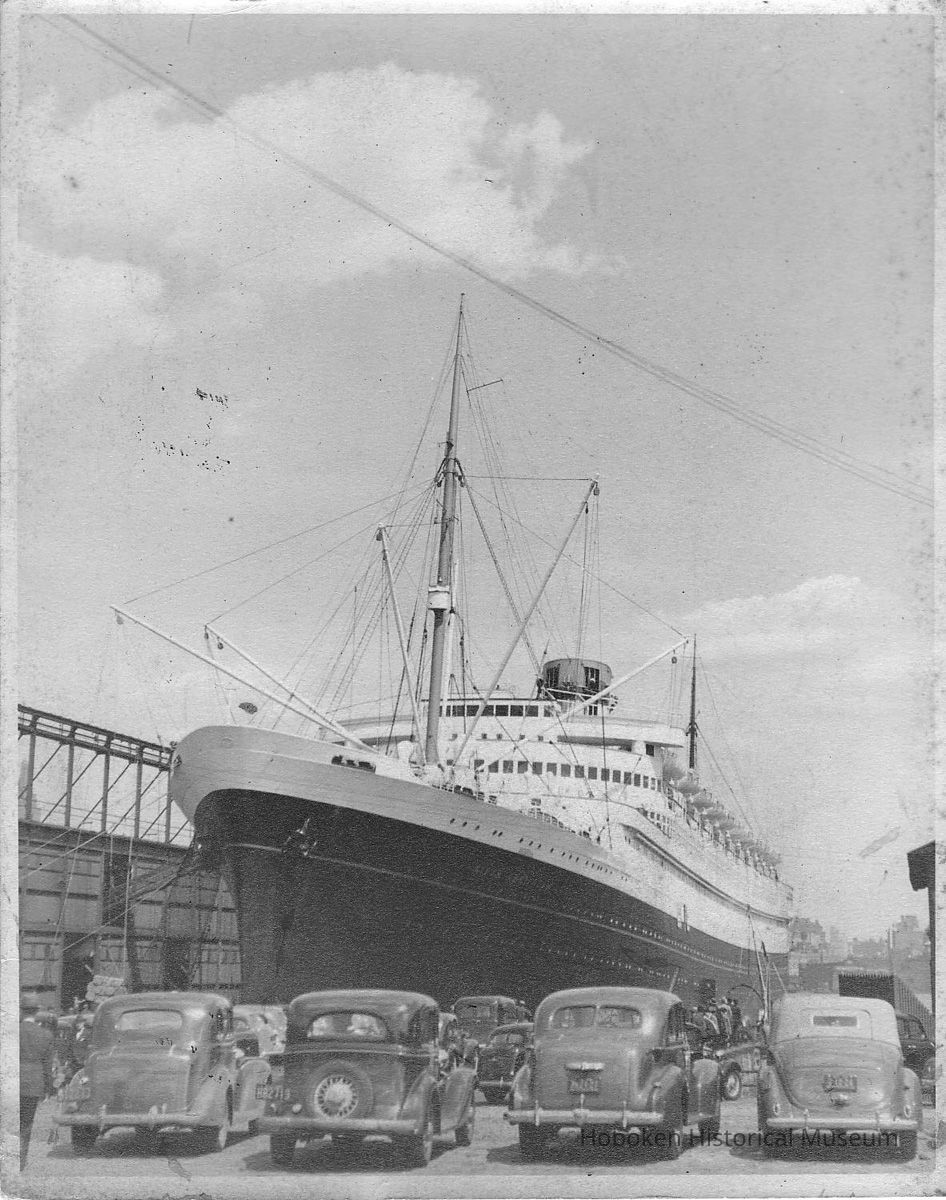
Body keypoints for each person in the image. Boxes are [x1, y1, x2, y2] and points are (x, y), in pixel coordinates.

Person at [20, 992, 55, 1171]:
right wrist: (49, 1088)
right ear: (36, 1012)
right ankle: (21, 1159)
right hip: (33, 1084)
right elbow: (48, 1066)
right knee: (26, 1124)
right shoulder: (46, 1035)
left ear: (21, 1011)